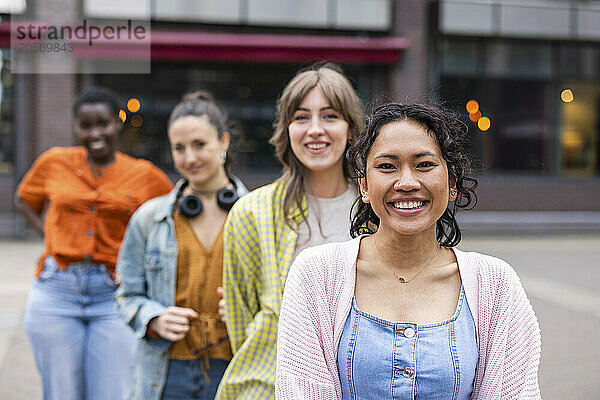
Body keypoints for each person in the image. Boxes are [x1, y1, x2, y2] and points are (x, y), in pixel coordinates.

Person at [276, 102, 542, 399]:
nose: (406, 183)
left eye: (424, 165)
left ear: (452, 181)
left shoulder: (495, 285)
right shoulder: (316, 275)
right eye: (387, 166)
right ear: (363, 185)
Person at [216, 62, 364, 399]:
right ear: (286, 129)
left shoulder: (377, 212)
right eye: (301, 117)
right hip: (269, 387)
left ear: (351, 128)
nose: (315, 129)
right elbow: (241, 324)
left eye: (329, 116)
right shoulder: (251, 214)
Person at [14, 87, 173, 400]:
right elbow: (23, 200)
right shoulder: (54, 162)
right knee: (60, 393)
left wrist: (142, 265)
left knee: (112, 392)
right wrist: (52, 233)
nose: (95, 133)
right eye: (85, 126)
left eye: (103, 123)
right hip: (55, 291)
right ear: (75, 127)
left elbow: (170, 219)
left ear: (118, 123)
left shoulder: (144, 175)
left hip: (113, 296)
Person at [114, 91, 248, 400]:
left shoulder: (259, 215)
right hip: (164, 372)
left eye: (199, 145)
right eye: (179, 148)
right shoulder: (149, 217)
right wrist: (154, 318)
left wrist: (246, 310)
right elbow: (126, 296)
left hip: (235, 368)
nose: (189, 158)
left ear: (223, 142)